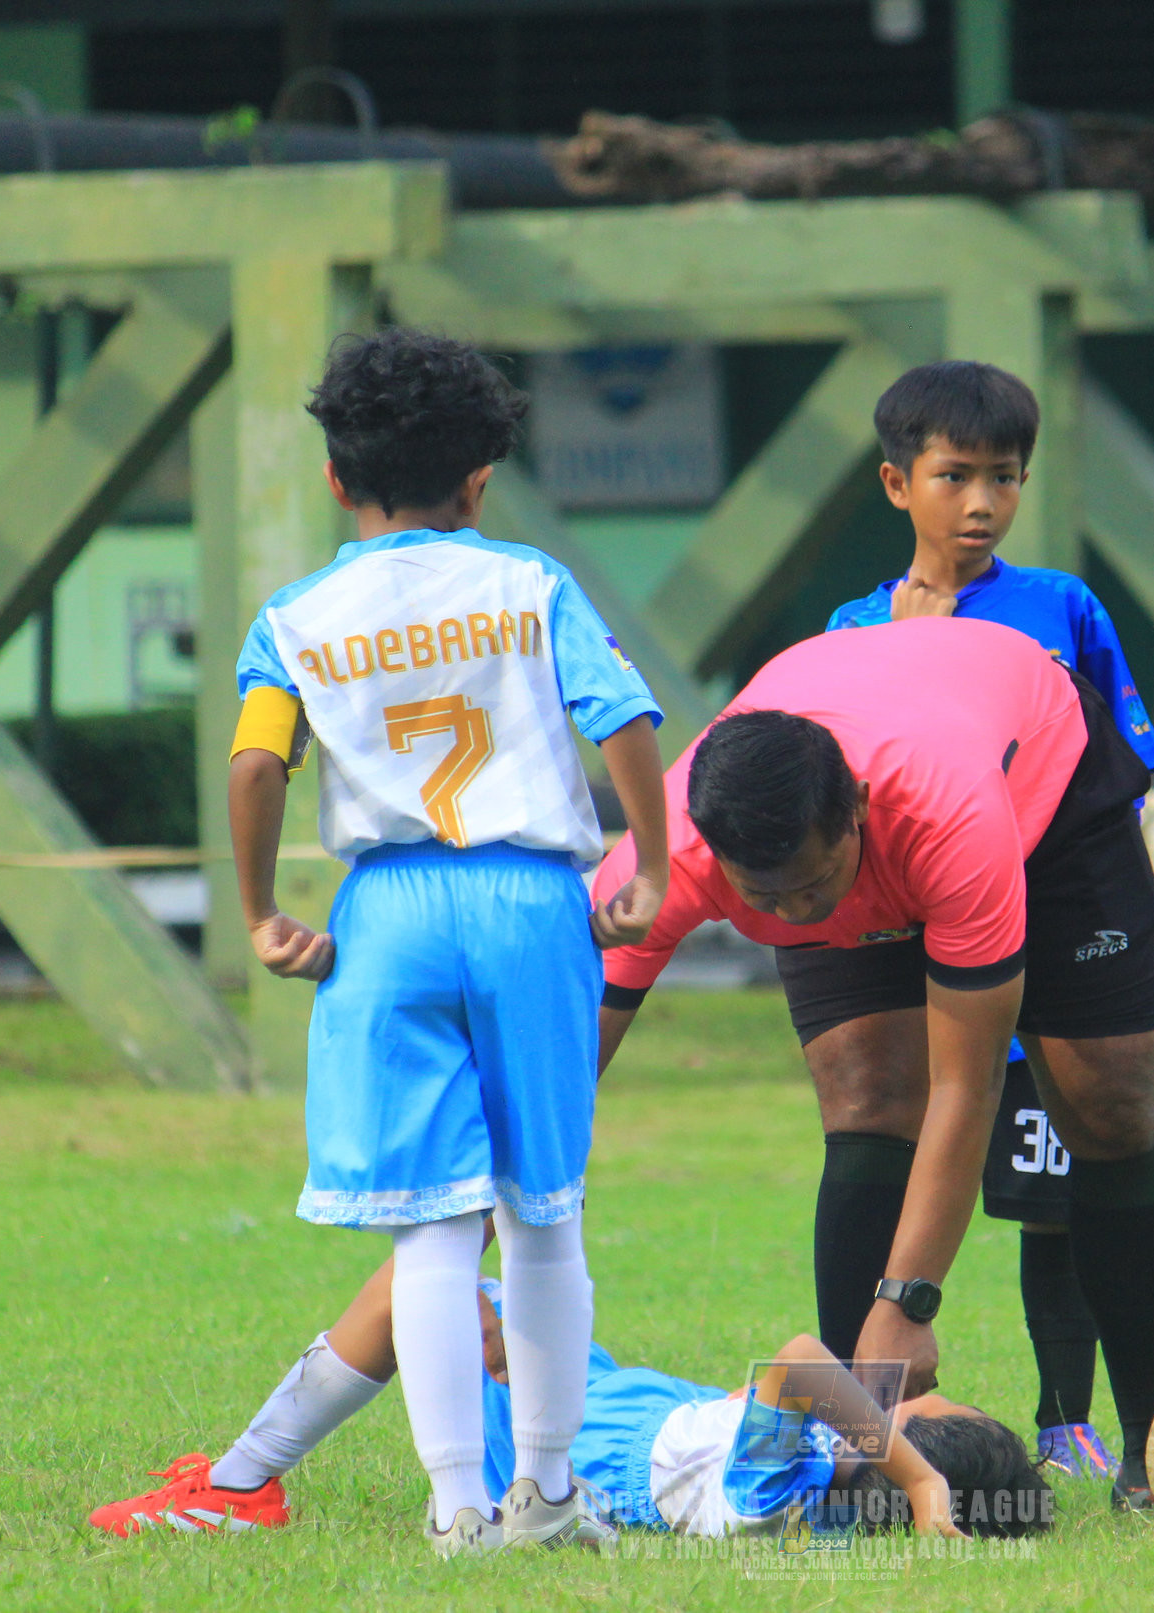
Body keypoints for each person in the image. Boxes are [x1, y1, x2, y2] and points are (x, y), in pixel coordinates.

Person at [226, 326, 670, 1557]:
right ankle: (547, 1491)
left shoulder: (295, 614)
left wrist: (260, 910)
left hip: (388, 914)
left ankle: (454, 1504)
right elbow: (623, 713)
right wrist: (652, 864)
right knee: (543, 1212)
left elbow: (257, 761)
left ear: (336, 477)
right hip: (528, 902)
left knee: (427, 1223)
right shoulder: (531, 583)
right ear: (480, 480)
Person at [593, 615, 1154, 1511]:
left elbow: (968, 1082)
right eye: (762, 897)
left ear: (857, 812)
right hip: (870, 796)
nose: (795, 915)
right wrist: (481, 1207)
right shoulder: (663, 861)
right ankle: (860, 1454)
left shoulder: (946, 816)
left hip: (1041, 786)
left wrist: (907, 1302)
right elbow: (558, 1065)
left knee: (1104, 1107)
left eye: (810, 885)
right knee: (867, 1093)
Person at [823, 359, 1154, 1481]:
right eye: (954, 475)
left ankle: (1100, 1431)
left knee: (1072, 1173)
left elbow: (1120, 777)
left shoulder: (1063, 605)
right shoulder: (850, 626)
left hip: (1057, 931)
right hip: (930, 944)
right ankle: (862, 1437)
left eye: (1005, 478)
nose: (981, 502)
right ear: (895, 484)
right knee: (888, 1141)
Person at [85, 1261, 1052, 1542]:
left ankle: (239, 1486)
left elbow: (801, 1360)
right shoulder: (793, 1482)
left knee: (415, 1284)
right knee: (478, 1266)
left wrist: (922, 1482)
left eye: (907, 1417)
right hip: (617, 1395)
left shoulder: (766, 1495)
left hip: (566, 1432)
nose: (892, 1398)